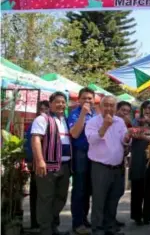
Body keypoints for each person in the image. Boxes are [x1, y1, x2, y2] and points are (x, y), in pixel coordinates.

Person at [85, 96, 131, 235]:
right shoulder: (93, 122)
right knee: (99, 199)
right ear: (100, 106)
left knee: (113, 198)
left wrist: (128, 137)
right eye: (106, 105)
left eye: (112, 105)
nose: (109, 108)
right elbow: (92, 140)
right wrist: (104, 126)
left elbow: (124, 139)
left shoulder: (120, 121)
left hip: (117, 167)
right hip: (100, 167)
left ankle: (110, 227)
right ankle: (97, 228)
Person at [31, 92, 71, 235]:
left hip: (65, 166)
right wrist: (40, 160)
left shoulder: (65, 120)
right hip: (47, 166)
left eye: (63, 102)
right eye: (57, 102)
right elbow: (35, 140)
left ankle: (53, 226)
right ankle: (45, 230)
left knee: (61, 197)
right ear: (51, 103)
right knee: (46, 198)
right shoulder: (42, 119)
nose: (61, 105)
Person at [68, 88, 96, 235]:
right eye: (84, 98)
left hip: (95, 154)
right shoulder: (74, 114)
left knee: (88, 190)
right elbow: (75, 133)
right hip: (81, 154)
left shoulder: (96, 114)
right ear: (79, 100)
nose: (87, 101)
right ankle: (77, 223)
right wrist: (83, 115)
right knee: (79, 189)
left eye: (90, 98)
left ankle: (84, 219)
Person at [129, 100, 150, 226]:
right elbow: (133, 133)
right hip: (138, 158)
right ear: (142, 109)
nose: (148, 110)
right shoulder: (136, 120)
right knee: (137, 187)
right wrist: (142, 130)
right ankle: (136, 216)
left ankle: (148, 216)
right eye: (146, 108)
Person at [24, 100, 49, 231]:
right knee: (36, 193)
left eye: (46, 109)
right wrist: (30, 160)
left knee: (44, 195)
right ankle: (35, 223)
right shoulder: (36, 123)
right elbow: (29, 143)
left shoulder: (53, 122)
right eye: (42, 109)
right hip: (36, 163)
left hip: (49, 165)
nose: (44, 111)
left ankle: (43, 222)